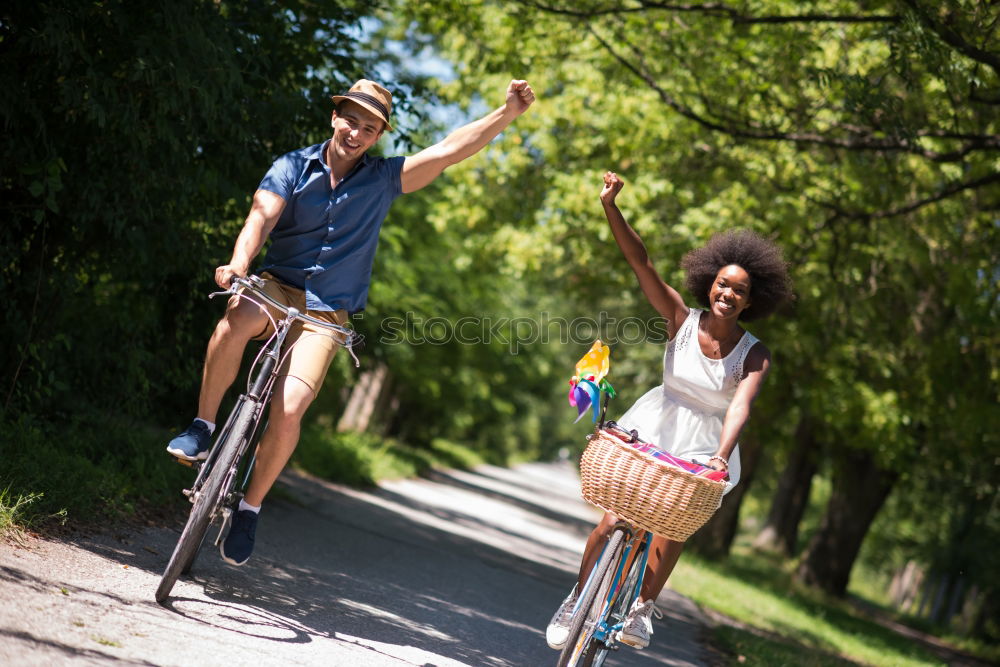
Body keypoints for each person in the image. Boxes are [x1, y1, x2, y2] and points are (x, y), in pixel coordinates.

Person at [165, 78, 536, 566]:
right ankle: (203, 425)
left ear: (379, 134)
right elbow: (261, 216)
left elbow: (447, 151)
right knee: (236, 317)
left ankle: (250, 507)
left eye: (370, 127)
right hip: (277, 285)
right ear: (335, 117)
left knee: (292, 406)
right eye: (351, 120)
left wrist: (506, 113)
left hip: (327, 312)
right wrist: (238, 264)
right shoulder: (293, 165)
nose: (356, 133)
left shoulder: (383, 179)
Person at [546, 171, 793, 650]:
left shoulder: (755, 353)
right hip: (656, 420)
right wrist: (611, 206)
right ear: (710, 283)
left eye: (739, 290)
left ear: (751, 300)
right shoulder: (681, 318)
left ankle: (641, 607)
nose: (728, 294)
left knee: (675, 521)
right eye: (723, 284)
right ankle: (577, 598)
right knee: (612, 520)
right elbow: (641, 263)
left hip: (707, 441)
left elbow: (740, 406)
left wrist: (720, 457)